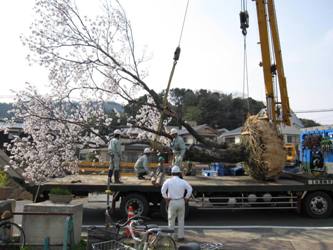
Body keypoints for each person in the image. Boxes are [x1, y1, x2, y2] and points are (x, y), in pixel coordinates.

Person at [161, 165, 192, 242]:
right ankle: (181, 237)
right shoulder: (183, 181)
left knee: (171, 220)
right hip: (181, 201)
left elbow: (163, 190)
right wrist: (186, 198)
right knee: (181, 220)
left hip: (172, 201)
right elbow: (190, 189)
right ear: (179, 173)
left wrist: (166, 198)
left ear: (172, 173)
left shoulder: (168, 181)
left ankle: (170, 237)